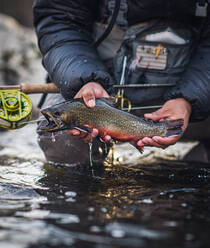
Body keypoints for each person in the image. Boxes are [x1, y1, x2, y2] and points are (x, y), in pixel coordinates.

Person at [33, 0, 210, 165]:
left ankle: (196, 164)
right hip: (95, 86)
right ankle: (88, 189)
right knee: (60, 137)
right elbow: (59, 18)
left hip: (193, 98)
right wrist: (85, 80)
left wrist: (189, 99)